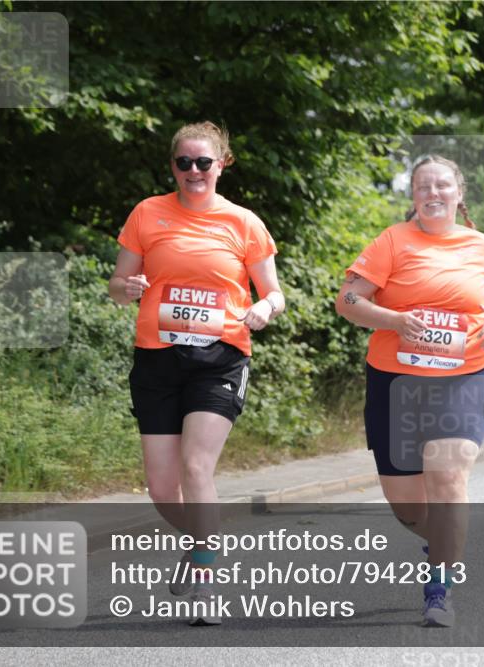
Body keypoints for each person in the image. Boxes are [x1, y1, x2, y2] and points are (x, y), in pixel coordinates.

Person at [336, 155, 484, 627]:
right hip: (395, 382)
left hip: (466, 377)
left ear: (458, 194)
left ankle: (440, 586)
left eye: (442, 186)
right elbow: (347, 300)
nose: (433, 193)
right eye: (424, 186)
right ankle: (442, 542)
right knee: (407, 507)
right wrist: (395, 320)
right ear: (414, 196)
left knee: (447, 476)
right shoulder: (391, 241)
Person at [108, 121, 284, 625]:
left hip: (221, 357)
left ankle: (206, 577)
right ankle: (202, 542)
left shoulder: (244, 223)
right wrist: (129, 286)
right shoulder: (147, 213)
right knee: (162, 488)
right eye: (183, 163)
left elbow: (275, 293)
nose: (193, 171)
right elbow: (117, 285)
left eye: (203, 162)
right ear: (173, 167)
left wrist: (265, 310)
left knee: (195, 467)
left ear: (221, 164)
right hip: (157, 357)